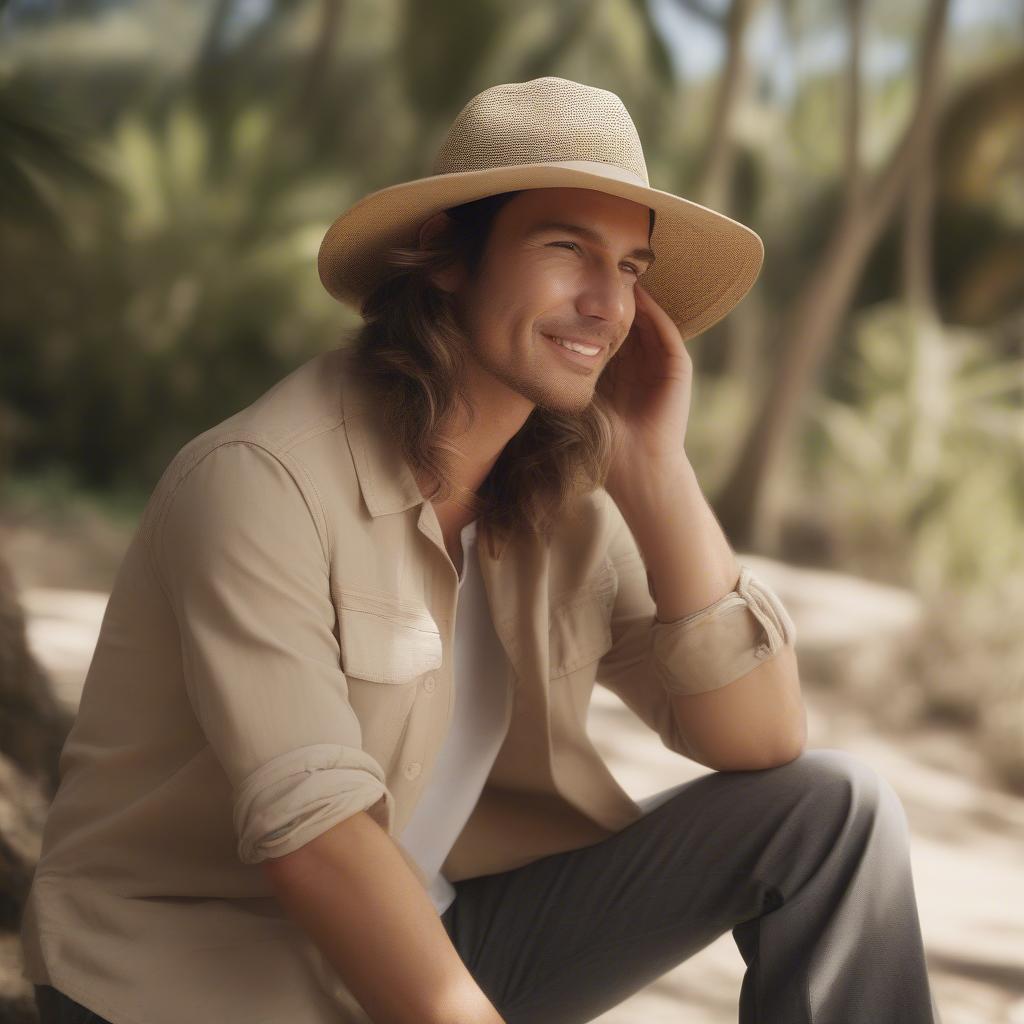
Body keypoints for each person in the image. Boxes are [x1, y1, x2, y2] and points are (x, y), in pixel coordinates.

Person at [20, 77, 942, 1024]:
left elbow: (760, 741)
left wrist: (657, 470)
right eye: (565, 249)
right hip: (200, 980)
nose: (606, 303)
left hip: (438, 945)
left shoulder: (559, 500)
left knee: (836, 811)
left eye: (630, 267)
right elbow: (316, 838)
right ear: (451, 258)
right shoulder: (259, 481)